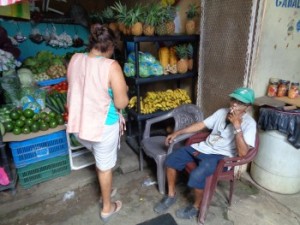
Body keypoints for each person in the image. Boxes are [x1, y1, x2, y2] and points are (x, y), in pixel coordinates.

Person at [153, 87, 257, 219]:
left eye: (240, 103)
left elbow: (243, 153)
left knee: (197, 176)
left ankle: (196, 207)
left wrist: (237, 126)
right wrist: (177, 132)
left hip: (222, 157)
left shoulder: (249, 124)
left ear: (247, 107)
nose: (235, 104)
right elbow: (201, 125)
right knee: (171, 160)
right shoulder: (221, 112)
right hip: (204, 147)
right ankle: (171, 195)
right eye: (233, 100)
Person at [66, 24, 128, 222]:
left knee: (100, 162)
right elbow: (121, 102)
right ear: (109, 46)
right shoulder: (111, 66)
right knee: (105, 168)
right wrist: (124, 90)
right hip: (102, 128)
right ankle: (107, 207)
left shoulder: (75, 59)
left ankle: (106, 189)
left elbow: (79, 86)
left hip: (80, 127)